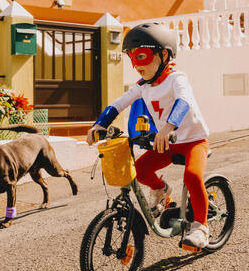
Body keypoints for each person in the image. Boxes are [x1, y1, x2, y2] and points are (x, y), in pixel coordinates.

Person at [86, 22, 211, 250]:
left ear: (163, 54)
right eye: (131, 58)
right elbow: (118, 104)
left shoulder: (177, 78)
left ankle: (201, 227)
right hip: (167, 144)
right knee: (140, 170)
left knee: (192, 177)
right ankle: (162, 190)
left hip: (193, 141)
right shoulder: (143, 85)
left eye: (141, 56)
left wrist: (168, 127)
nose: (135, 65)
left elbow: (184, 101)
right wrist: (99, 124)